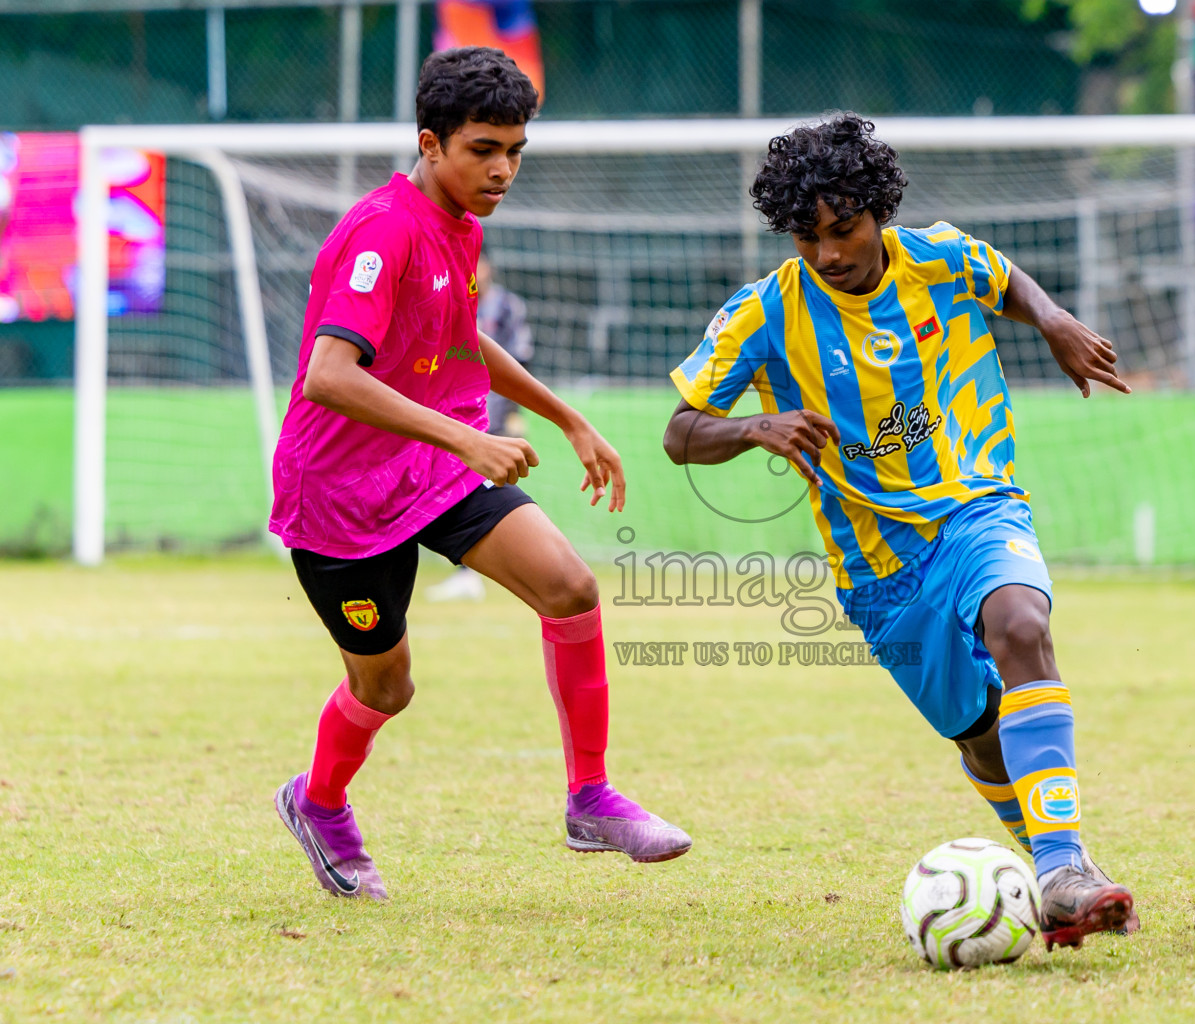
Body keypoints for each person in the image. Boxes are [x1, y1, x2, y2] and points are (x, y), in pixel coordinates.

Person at [663, 113, 1134, 949]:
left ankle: (1062, 866)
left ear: (878, 210)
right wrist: (753, 428)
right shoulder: (765, 313)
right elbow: (681, 432)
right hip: (880, 574)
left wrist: (1055, 320)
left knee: (1021, 622)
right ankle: (1054, 877)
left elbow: (1005, 279)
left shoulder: (942, 258)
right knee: (981, 736)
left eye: (843, 229)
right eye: (808, 238)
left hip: (979, 506)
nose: (830, 253)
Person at [270, 46, 690, 901]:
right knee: (386, 688)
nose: (503, 170)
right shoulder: (383, 230)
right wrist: (469, 440)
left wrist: (567, 417)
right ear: (431, 144)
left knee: (570, 587)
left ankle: (590, 800)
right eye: (483, 149)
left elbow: (458, 335)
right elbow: (328, 375)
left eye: (515, 151)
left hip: (430, 468)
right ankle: (318, 802)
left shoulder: (459, 225)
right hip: (342, 500)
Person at [425, 252, 533, 602]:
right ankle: (469, 572)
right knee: (460, 487)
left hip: (495, 415)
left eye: (477, 265)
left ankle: (482, 571)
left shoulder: (506, 307)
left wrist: (514, 413)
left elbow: (519, 358)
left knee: (487, 491)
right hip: (455, 415)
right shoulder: (449, 301)